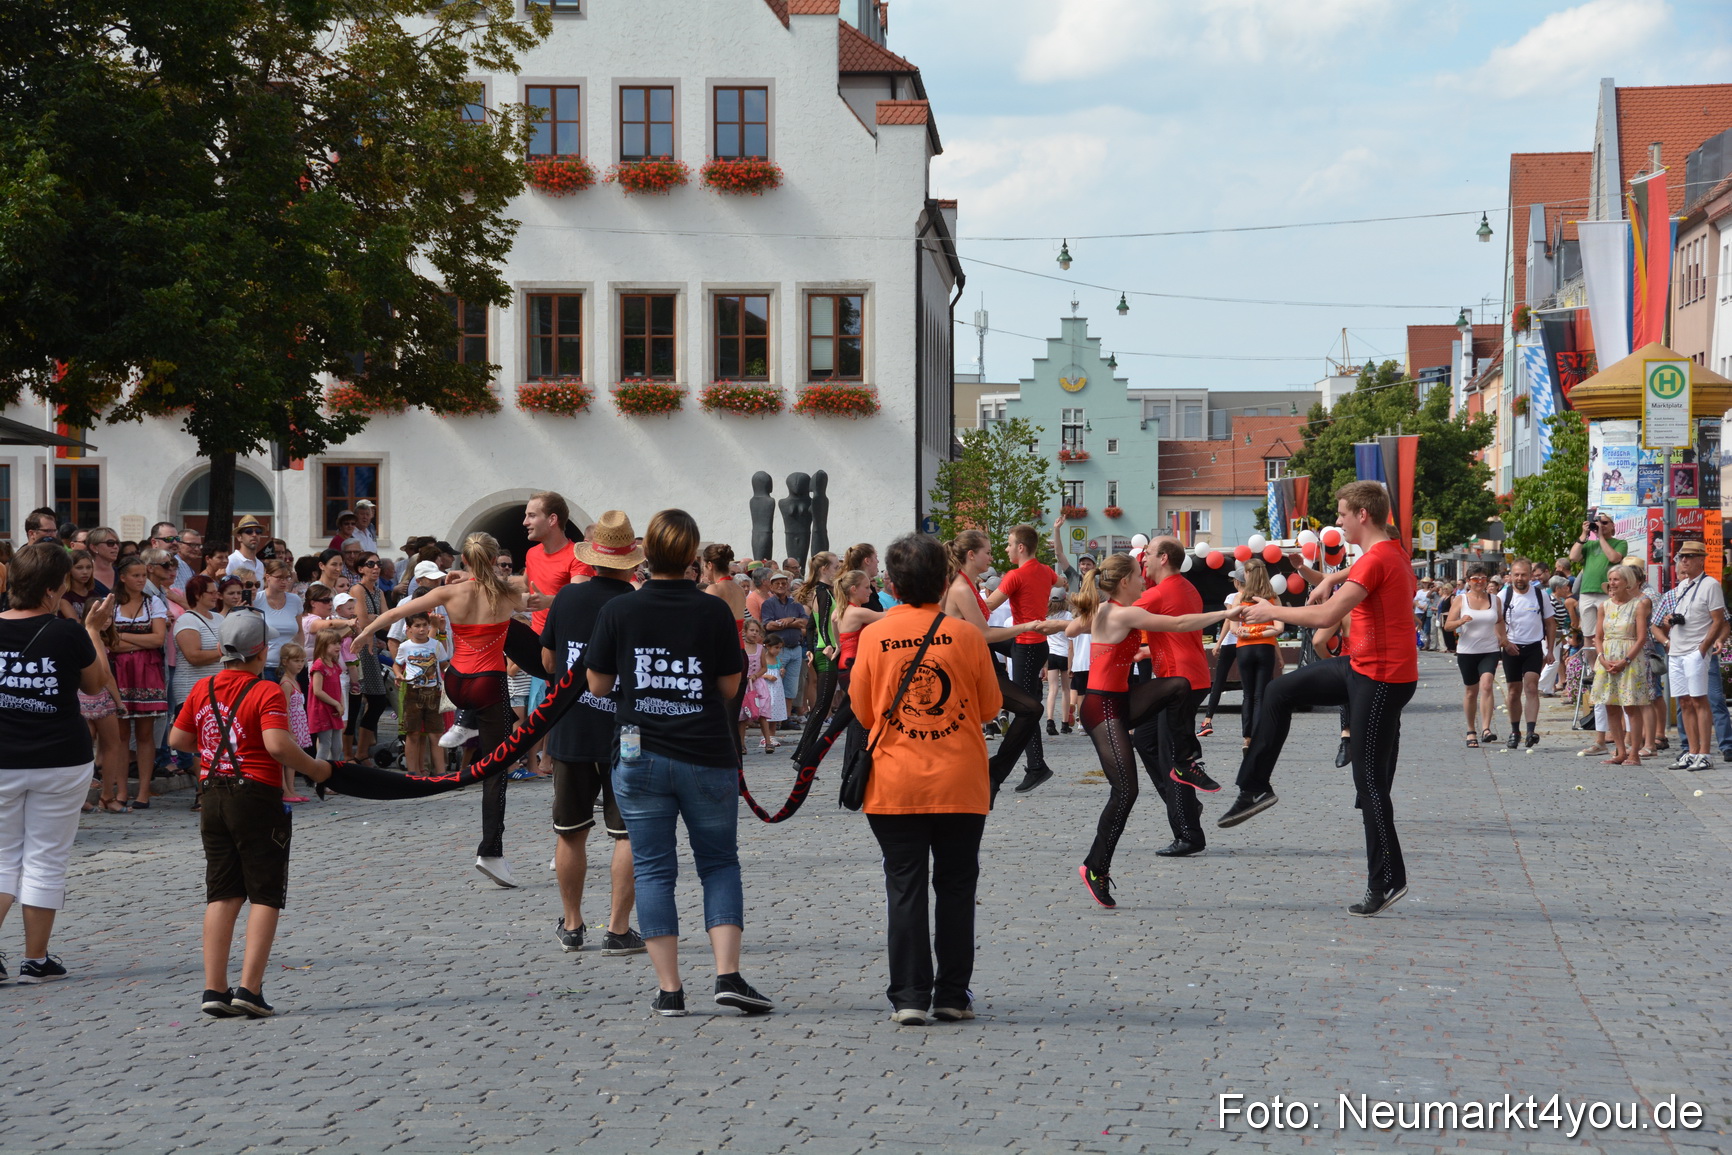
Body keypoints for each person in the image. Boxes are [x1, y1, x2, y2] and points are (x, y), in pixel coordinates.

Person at [586, 508, 770, 1018]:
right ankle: (727, 975)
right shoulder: (712, 610)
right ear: (693, 556)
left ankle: (670, 989)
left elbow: (597, 684)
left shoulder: (620, 611)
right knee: (718, 862)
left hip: (638, 751)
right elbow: (732, 685)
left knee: (652, 870)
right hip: (706, 750)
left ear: (646, 555)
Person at [1221, 481, 1421, 918]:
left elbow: (1327, 616)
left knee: (1369, 785)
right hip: (1363, 667)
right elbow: (1358, 575)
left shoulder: (1379, 559)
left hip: (1381, 679)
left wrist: (1271, 610)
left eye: (1343, 513)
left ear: (1363, 516)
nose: (1340, 522)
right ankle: (1254, 788)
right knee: (1279, 690)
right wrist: (1331, 574)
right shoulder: (1390, 553)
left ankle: (1387, 880)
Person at [846, 533, 1003, 1025]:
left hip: (895, 782)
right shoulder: (967, 635)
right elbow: (991, 707)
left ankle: (910, 995)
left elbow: (863, 710)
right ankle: (953, 994)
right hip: (959, 779)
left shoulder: (874, 636)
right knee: (957, 887)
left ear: (890, 583)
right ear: (943, 582)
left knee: (905, 886)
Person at [168, 613, 333, 1018]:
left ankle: (214, 989)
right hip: (256, 794)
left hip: (212, 795)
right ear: (260, 652)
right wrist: (315, 768)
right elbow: (277, 745)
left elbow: (178, 739)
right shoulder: (266, 691)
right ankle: (250, 988)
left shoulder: (204, 687)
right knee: (265, 892)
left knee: (222, 891)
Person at [354, 533, 536, 887]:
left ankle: (464, 723)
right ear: (495, 558)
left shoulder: (450, 592)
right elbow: (538, 597)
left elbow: (396, 611)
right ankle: (491, 850)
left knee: (473, 718)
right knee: (496, 769)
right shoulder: (506, 593)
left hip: (456, 681)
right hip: (489, 681)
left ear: (463, 561)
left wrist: (366, 634)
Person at [1066, 555, 1236, 908]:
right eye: (1139, 576)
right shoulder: (1121, 612)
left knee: (1178, 685)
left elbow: (1071, 629)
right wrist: (1224, 614)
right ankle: (1095, 868)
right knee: (1126, 791)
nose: (1144, 580)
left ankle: (1184, 762)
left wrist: (1071, 624)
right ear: (1125, 581)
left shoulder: (1108, 611)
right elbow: (1180, 623)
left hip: (1123, 699)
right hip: (1103, 708)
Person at [0, 544, 115, 983]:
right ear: (52, 589)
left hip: (3, 755)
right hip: (60, 759)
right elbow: (96, 683)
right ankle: (36, 958)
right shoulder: (66, 632)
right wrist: (92, 630)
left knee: (2, 857)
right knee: (46, 858)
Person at [538, 509, 645, 959]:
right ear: (631, 561)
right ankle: (619, 930)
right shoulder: (640, 604)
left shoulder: (566, 599)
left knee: (570, 831)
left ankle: (573, 923)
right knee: (628, 834)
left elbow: (547, 664)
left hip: (573, 726)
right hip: (629, 729)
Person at [936, 529, 1058, 798]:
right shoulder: (960, 587)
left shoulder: (968, 583)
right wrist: (1026, 626)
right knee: (1029, 709)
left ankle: (996, 774)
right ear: (971, 555)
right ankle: (993, 774)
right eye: (988, 552)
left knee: (1029, 708)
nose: (994, 556)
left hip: (979, 657)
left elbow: (982, 627)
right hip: (967, 664)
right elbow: (983, 633)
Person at [1129, 538, 1220, 859]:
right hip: (1184, 677)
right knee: (1145, 739)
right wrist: (1147, 650)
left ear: (1164, 558)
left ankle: (1189, 833)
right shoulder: (1186, 587)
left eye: (1148, 554)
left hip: (1180, 682)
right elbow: (1174, 633)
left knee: (1173, 759)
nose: (1144, 559)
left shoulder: (1160, 592)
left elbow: (1118, 618)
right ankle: (1185, 805)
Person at [985, 525, 1060, 793]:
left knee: (1026, 709)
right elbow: (1062, 582)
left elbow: (989, 606)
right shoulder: (1046, 571)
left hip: (1026, 647)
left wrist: (964, 593)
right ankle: (998, 677)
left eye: (1008, 544)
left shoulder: (1015, 576)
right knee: (985, 640)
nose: (1005, 549)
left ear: (1020, 547)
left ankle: (1037, 766)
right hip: (1034, 645)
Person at [1651, 541, 1726, 772]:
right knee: (1683, 701)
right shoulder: (1682, 586)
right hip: (1676, 650)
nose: (1685, 560)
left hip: (1694, 650)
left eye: (1691, 556)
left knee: (1699, 700)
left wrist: (1703, 646)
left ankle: (1705, 753)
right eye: (1682, 556)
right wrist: (1668, 634)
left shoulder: (1710, 584)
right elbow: (1661, 622)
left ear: (1701, 559)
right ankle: (1691, 752)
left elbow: (1719, 620)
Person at [108, 555, 169, 809]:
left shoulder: (153, 602)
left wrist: (122, 636)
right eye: (136, 575)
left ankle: (143, 791)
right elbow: (106, 642)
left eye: (143, 575)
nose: (141, 580)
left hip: (147, 671)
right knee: (120, 735)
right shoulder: (109, 604)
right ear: (122, 577)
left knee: (145, 734)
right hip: (119, 672)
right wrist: (126, 640)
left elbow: (158, 639)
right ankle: (122, 791)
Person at [1590, 565, 1652, 767]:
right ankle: (1620, 751)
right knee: (1610, 706)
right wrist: (1601, 657)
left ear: (1627, 582)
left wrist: (1625, 661)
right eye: (1610, 579)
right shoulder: (1604, 606)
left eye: (1617, 579)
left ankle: (1634, 752)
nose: (1612, 583)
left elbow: (1641, 637)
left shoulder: (1638, 605)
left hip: (1630, 658)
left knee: (1631, 706)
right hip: (1607, 658)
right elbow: (1598, 636)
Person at [1443, 567, 1506, 748]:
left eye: (1483, 579)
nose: (1479, 582)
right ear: (1469, 580)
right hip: (1467, 651)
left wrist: (1504, 639)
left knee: (1487, 685)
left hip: (1490, 649)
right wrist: (1460, 621)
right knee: (1471, 692)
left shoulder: (1495, 600)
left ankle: (1486, 729)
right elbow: (1448, 626)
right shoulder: (1461, 600)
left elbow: (1499, 620)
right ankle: (1471, 731)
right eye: (1475, 579)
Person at [1498, 557, 1556, 751]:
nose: (1520, 578)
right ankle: (1515, 731)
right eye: (1516, 574)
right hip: (1511, 648)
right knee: (1514, 691)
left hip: (1533, 647)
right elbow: (1496, 622)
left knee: (1531, 686)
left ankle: (1531, 730)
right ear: (1511, 576)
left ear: (1531, 576)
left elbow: (1550, 622)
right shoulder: (1503, 596)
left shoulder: (1540, 595)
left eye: (1524, 574)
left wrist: (1549, 650)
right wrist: (1505, 642)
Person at [791, 552, 842, 764]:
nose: (838, 570)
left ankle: (802, 753)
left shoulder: (821, 591)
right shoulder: (821, 592)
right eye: (836, 567)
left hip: (821, 651)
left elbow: (810, 625)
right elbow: (822, 624)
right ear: (824, 569)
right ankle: (803, 754)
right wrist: (829, 645)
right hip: (827, 653)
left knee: (822, 705)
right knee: (821, 706)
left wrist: (810, 648)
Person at [701, 543, 750, 756]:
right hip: (740, 653)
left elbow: (708, 627)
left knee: (719, 717)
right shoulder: (739, 588)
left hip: (720, 656)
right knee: (731, 718)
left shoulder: (714, 589)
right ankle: (736, 768)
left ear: (709, 565)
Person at [1232, 559, 1283, 753]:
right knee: (1261, 695)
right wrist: (1261, 632)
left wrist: (1246, 633)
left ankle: (1247, 738)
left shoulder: (1240, 597)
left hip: (1244, 648)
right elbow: (1279, 628)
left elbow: (1234, 628)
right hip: (1265, 647)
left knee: (1247, 694)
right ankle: (1259, 736)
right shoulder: (1272, 597)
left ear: (1247, 574)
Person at [392, 613, 448, 778]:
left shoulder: (436, 645)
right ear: (409, 629)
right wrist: (398, 674)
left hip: (433, 692)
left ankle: (441, 773)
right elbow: (397, 664)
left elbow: (444, 663)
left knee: (436, 733)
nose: (422, 629)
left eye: (425, 625)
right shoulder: (405, 647)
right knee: (413, 733)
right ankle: (412, 773)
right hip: (412, 692)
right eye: (417, 626)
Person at [758, 571, 809, 724]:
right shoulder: (768, 604)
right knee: (775, 684)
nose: (781, 586)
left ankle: (785, 717)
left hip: (796, 648)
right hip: (778, 650)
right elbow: (769, 625)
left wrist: (788, 620)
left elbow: (805, 623)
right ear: (772, 587)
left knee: (792, 685)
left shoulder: (796, 603)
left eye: (784, 583)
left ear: (788, 586)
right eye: (777, 583)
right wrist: (794, 622)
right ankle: (774, 718)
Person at [1200, 573, 1244, 738]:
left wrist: (1218, 643)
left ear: (1237, 581)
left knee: (1219, 681)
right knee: (1248, 683)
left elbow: (1228, 620)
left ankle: (1207, 719)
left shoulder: (1232, 596)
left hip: (1230, 641)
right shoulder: (1256, 595)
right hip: (1246, 640)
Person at [1570, 513, 1626, 636]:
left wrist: (1600, 537)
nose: (1601, 525)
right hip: (1587, 591)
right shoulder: (1589, 544)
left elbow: (1614, 558)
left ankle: (1604, 655)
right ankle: (1589, 655)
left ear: (1613, 526)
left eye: (1605, 523)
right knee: (1588, 634)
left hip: (1607, 591)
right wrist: (1584, 534)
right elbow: (1573, 557)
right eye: (1598, 523)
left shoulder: (1620, 543)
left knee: (1607, 632)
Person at [255, 560, 304, 686]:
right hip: (266, 666)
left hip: (290, 667)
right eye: (279, 578)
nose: (284, 582)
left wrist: (300, 657)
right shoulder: (257, 599)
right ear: (268, 577)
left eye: (287, 578)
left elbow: (299, 632)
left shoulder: (295, 600)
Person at [276, 643, 313, 803]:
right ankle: (287, 790)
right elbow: (284, 709)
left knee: (293, 761)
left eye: (302, 661)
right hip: (291, 725)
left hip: (299, 724)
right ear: (285, 662)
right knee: (289, 760)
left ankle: (291, 789)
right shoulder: (286, 684)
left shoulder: (295, 681)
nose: (300, 664)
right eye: (296, 660)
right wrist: (289, 730)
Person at [307, 631, 347, 762]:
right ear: (323, 645)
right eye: (334, 643)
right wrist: (335, 703)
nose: (338, 646)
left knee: (337, 746)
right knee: (325, 744)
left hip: (334, 710)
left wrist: (341, 704)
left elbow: (338, 688)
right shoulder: (319, 665)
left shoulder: (335, 665)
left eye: (339, 643)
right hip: (322, 710)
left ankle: (332, 772)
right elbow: (317, 691)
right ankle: (318, 775)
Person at [1043, 591, 1074, 735]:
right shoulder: (1068, 617)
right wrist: (1071, 663)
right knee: (1066, 690)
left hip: (1051, 654)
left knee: (1052, 689)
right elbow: (1070, 641)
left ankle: (1049, 720)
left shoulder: (1046, 616)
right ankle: (1064, 722)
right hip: (1064, 654)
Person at [226, 517, 268, 587]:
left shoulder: (260, 565)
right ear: (239, 537)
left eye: (258, 531)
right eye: (249, 531)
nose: (254, 535)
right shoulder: (230, 561)